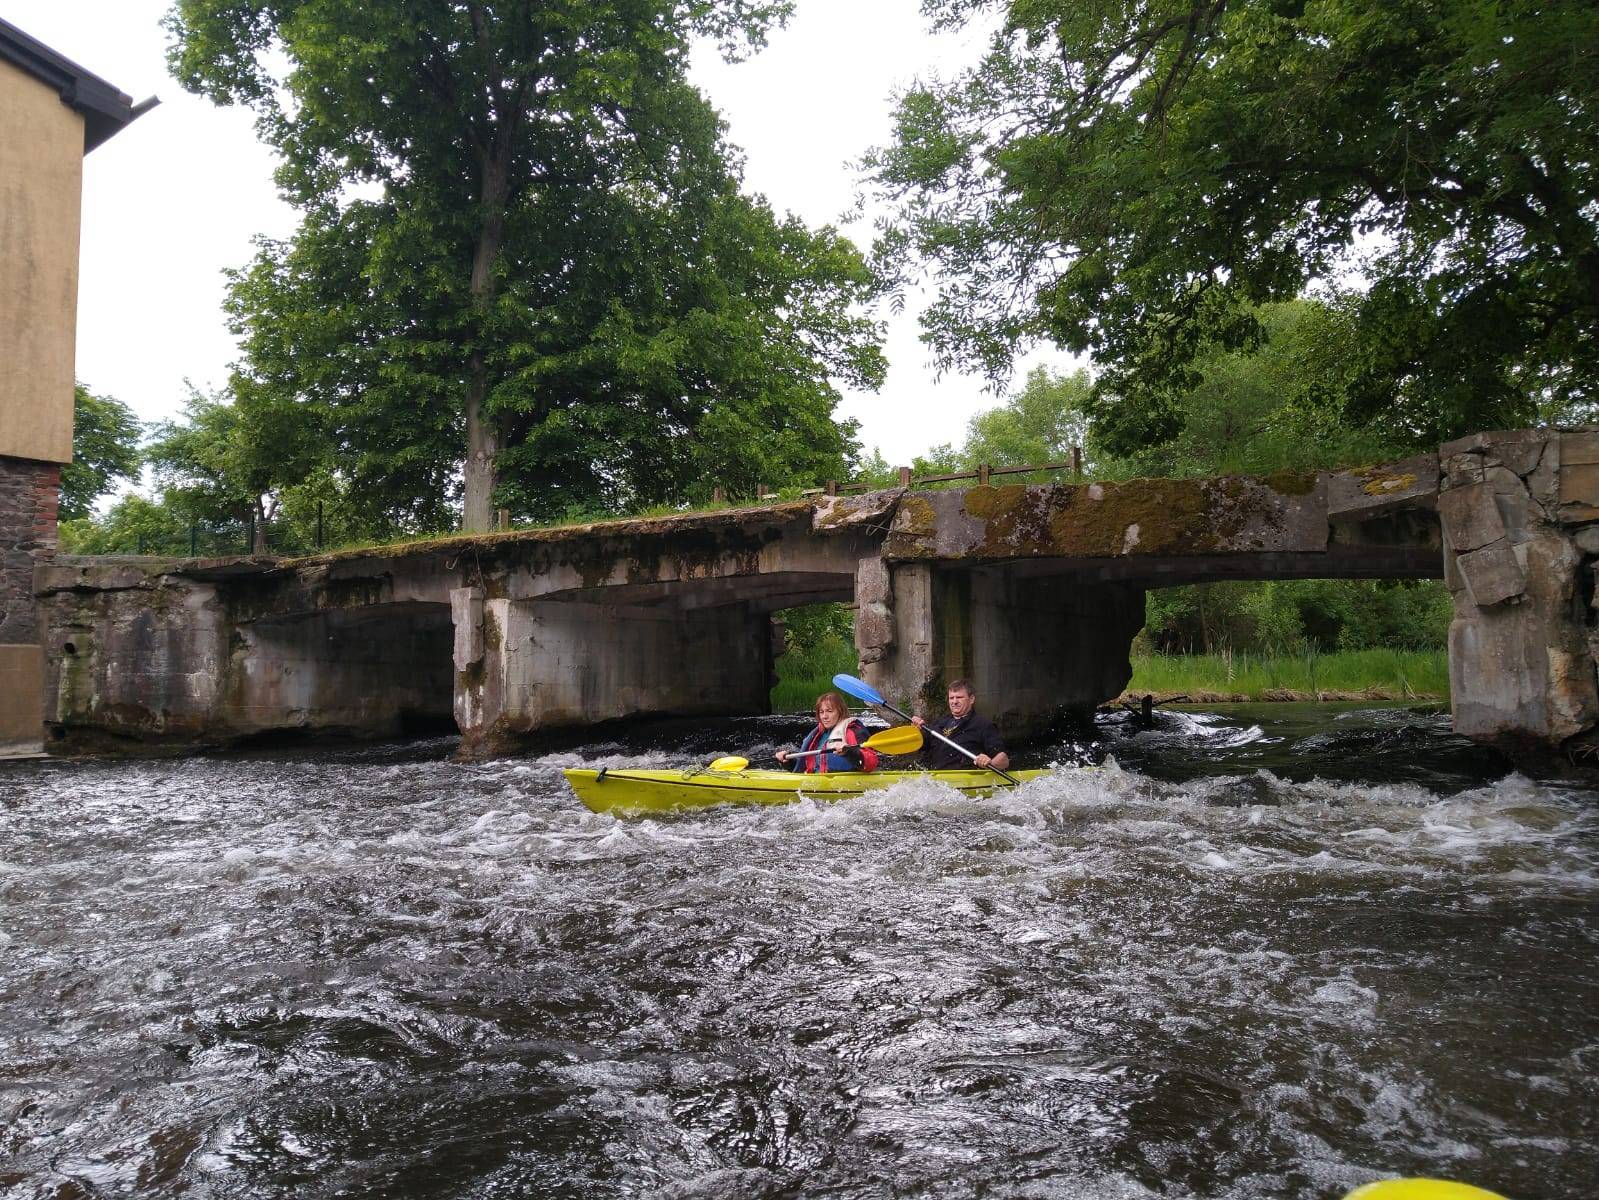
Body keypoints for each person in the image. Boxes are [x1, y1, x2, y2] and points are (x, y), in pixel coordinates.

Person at [911, 678, 1009, 771]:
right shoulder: (940, 722)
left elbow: (1004, 761)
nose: (954, 702)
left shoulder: (983, 725)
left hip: (964, 778)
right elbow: (920, 745)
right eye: (951, 698)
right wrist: (917, 730)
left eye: (959, 697)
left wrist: (989, 763)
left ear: (971, 699)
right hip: (934, 778)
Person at [776, 691, 880, 774]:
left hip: (842, 784)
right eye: (821, 712)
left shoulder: (852, 731)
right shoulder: (817, 735)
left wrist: (849, 752)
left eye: (829, 711)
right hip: (815, 782)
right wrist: (787, 761)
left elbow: (871, 762)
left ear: (840, 712)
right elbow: (806, 768)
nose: (824, 716)